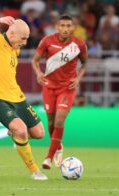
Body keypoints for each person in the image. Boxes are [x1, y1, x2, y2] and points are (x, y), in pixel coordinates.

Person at [0, 16, 47, 180]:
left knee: (39, 133)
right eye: (23, 38)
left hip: (17, 97)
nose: (25, 43)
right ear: (11, 34)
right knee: (21, 129)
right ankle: (34, 171)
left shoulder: (15, 49)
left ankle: (17, 137)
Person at [31, 15, 88, 169]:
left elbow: (84, 64)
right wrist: (38, 73)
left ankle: (48, 158)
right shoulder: (47, 41)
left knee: (59, 121)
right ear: (57, 27)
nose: (65, 29)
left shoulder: (79, 44)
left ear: (73, 27)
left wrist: (78, 79)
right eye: (62, 25)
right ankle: (58, 147)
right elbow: (35, 60)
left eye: (68, 26)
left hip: (67, 88)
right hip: (49, 86)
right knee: (50, 122)